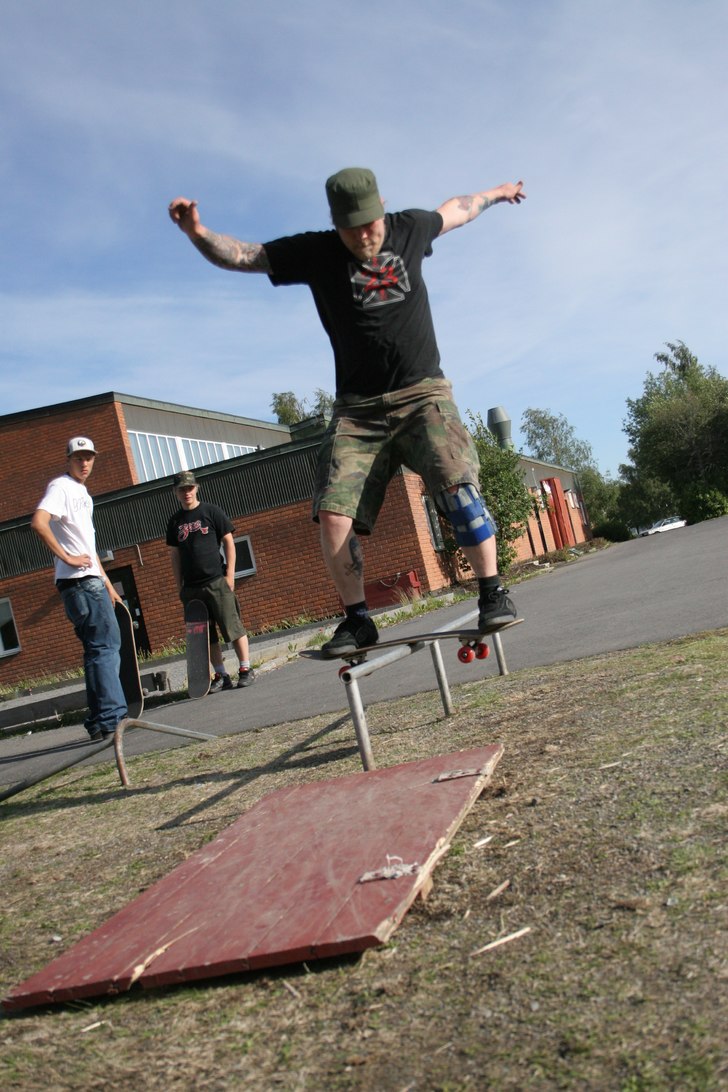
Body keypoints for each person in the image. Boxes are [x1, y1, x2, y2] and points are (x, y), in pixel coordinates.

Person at [168, 168, 526, 657]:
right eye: (353, 229)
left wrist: (499, 194)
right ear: (335, 222)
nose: (365, 236)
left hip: (423, 396)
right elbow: (246, 256)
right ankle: (358, 621)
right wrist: (197, 233)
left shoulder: (409, 227)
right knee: (333, 513)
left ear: (382, 209)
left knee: (456, 486)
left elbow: (458, 208)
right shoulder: (317, 252)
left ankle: (492, 591)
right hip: (358, 413)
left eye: (371, 225)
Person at [31, 437, 128, 740]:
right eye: (78, 458)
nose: (84, 463)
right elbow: (39, 522)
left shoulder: (83, 493)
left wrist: (108, 585)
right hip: (81, 583)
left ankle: (99, 722)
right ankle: (114, 718)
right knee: (107, 647)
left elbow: (89, 546)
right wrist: (68, 558)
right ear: (68, 459)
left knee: (95, 651)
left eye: (89, 458)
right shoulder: (61, 487)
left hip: (89, 582)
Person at [166, 471, 255, 690]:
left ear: (196, 488)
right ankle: (221, 674)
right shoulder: (175, 521)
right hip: (192, 588)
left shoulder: (211, 511)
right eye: (181, 489)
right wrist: (179, 586)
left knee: (232, 626)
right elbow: (175, 556)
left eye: (189, 488)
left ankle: (245, 668)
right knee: (206, 635)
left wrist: (230, 576)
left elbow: (229, 542)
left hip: (216, 581)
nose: (186, 493)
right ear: (175, 492)